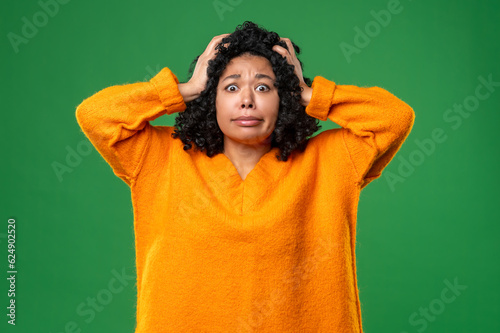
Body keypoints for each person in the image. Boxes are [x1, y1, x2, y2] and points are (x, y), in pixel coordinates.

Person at [76, 21, 414, 333]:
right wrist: (185, 88)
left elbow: (394, 118)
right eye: (231, 87)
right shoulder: (160, 157)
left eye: (265, 87)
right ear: (211, 98)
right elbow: (94, 115)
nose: (247, 101)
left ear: (285, 99)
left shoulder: (330, 160)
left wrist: (309, 92)